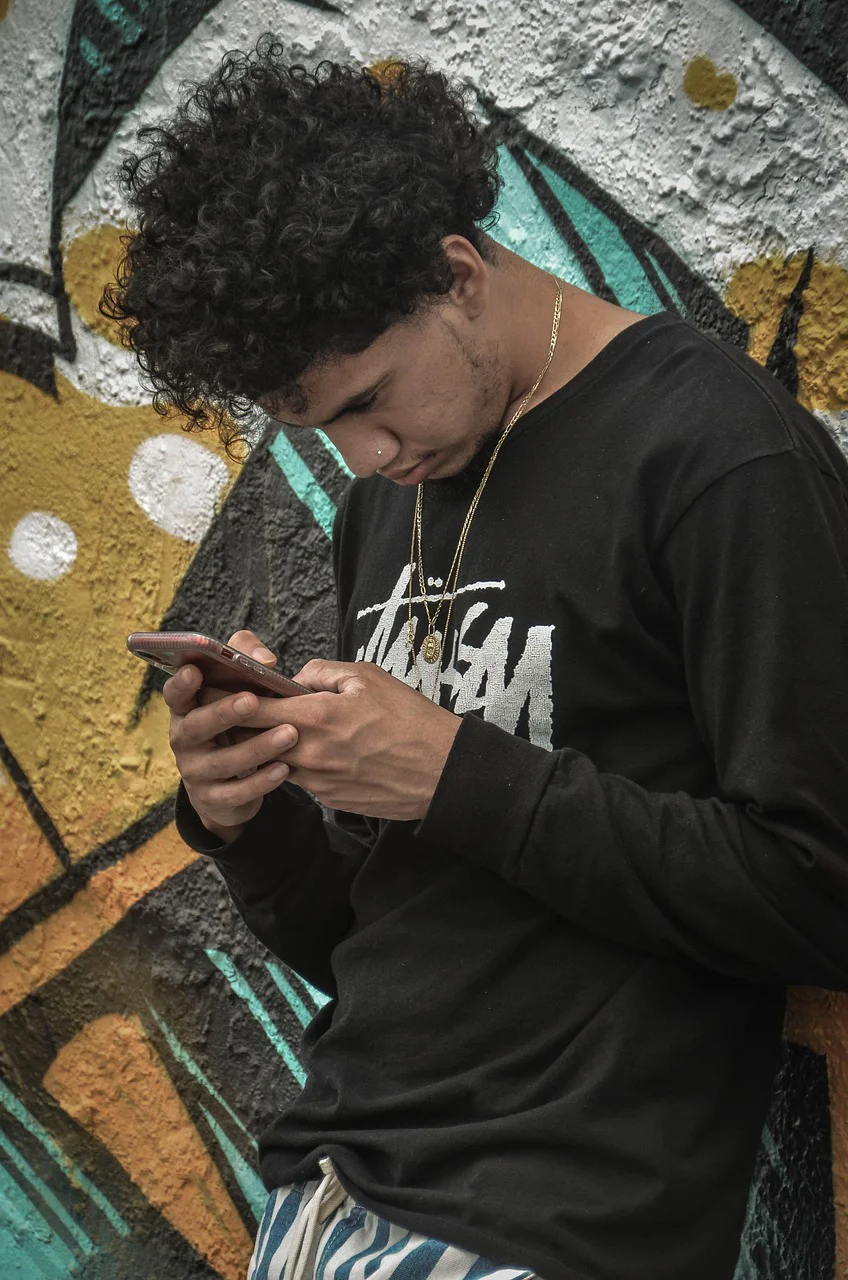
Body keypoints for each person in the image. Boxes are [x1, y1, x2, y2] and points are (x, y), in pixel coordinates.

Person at [104, 37, 848, 1280]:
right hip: (329, 1191)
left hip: (553, 1216)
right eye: (318, 426)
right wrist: (249, 817)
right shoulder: (388, 505)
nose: (362, 454)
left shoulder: (715, 450)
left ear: (455, 273)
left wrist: (455, 769)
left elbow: (819, 888)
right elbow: (384, 924)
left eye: (368, 399)